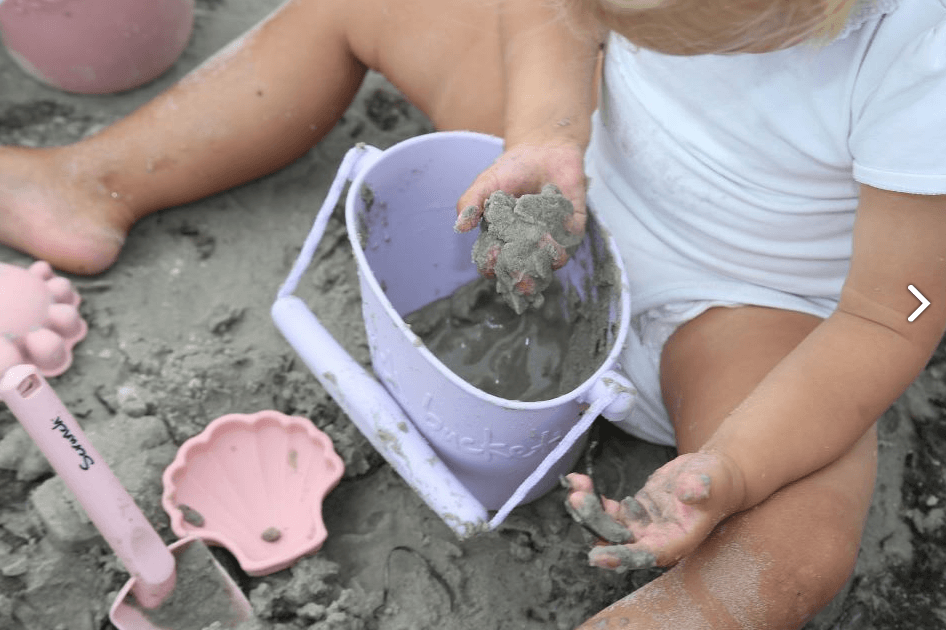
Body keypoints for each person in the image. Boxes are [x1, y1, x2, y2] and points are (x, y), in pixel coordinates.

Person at [1, 0, 944, 627]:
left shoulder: (922, 54)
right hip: (580, 155)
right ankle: (91, 183)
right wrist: (544, 133)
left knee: (791, 552)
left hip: (741, 304)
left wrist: (731, 470)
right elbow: (549, 15)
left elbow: (893, 315)